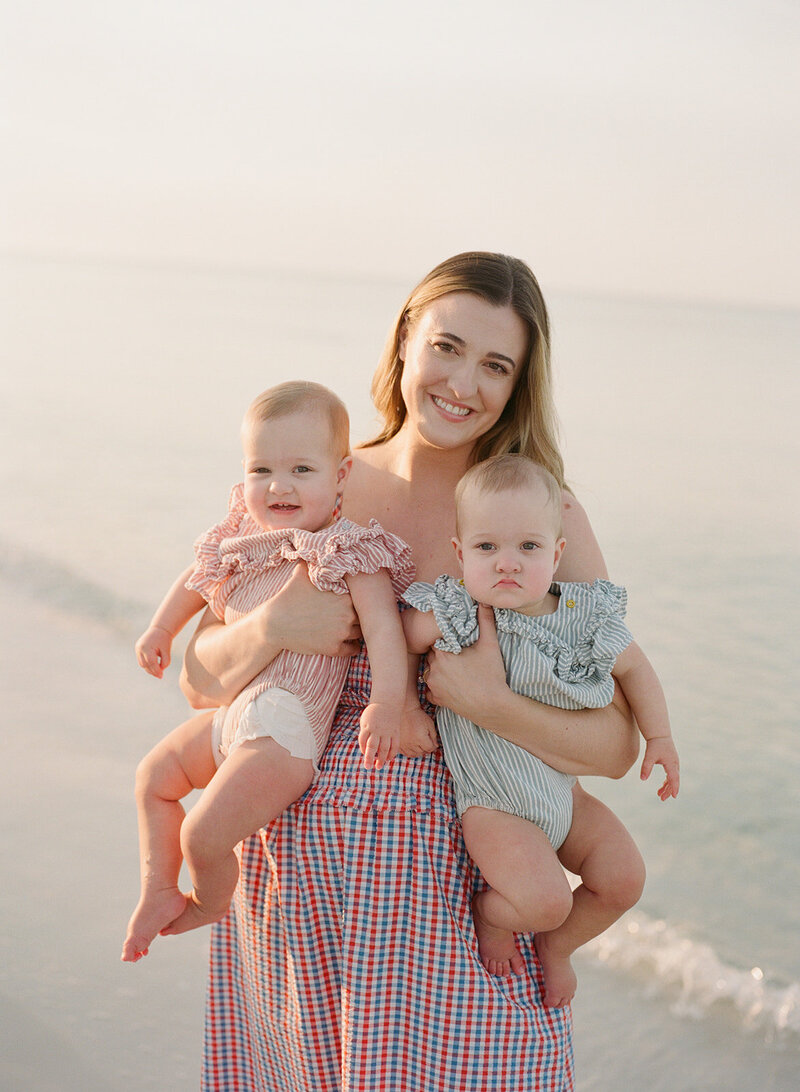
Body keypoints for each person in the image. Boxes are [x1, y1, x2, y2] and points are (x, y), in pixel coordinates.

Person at [181, 252, 641, 1091]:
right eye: (449, 347)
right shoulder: (318, 479)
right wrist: (275, 625)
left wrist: (491, 703)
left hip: (465, 897)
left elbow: (615, 745)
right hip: (301, 889)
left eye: (496, 365)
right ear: (405, 341)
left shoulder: (535, 514)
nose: (463, 383)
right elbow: (201, 680)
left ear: (519, 384)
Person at [122, 381, 414, 963]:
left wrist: (389, 702)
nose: (278, 486)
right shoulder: (243, 537)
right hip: (236, 713)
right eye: (261, 469)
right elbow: (194, 578)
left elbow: (385, 631)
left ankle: (209, 900)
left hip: (286, 730)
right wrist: (161, 629)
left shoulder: (348, 549)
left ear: (341, 476)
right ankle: (157, 888)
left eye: (301, 468)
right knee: (154, 777)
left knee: (202, 834)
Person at [403, 453, 679, 1005]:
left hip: (564, 795)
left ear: (557, 554)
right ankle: (491, 912)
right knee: (544, 900)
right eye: (487, 548)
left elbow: (636, 668)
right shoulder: (458, 610)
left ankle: (559, 947)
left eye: (527, 548)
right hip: (495, 805)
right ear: (461, 555)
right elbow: (400, 634)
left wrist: (662, 739)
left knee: (624, 879)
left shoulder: (581, 617)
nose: (507, 563)